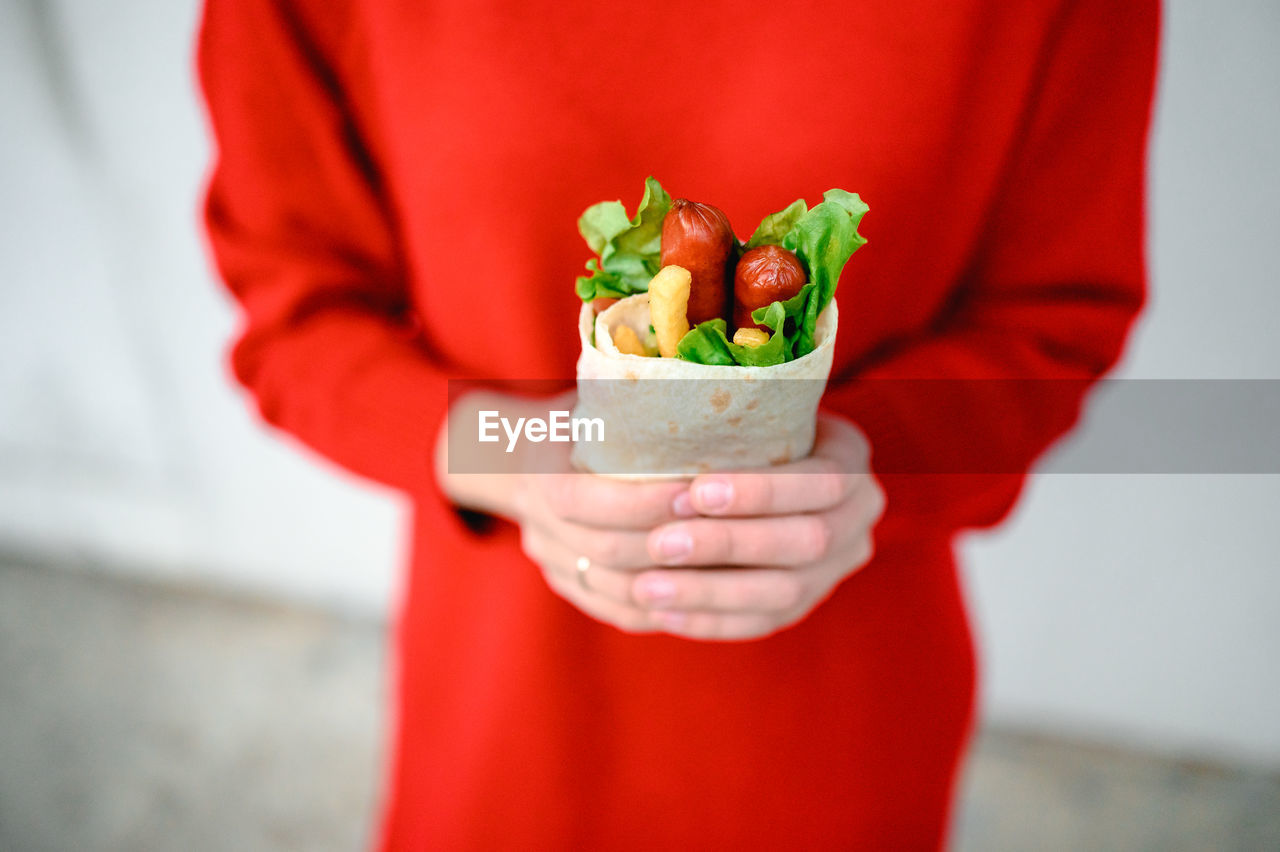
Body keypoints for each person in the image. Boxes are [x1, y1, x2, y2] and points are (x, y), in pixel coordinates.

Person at [197, 0, 1159, 847]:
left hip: (844, 705)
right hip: (510, 708)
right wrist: (524, 455)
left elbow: (1053, 320)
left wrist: (864, 460)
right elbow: (298, 320)